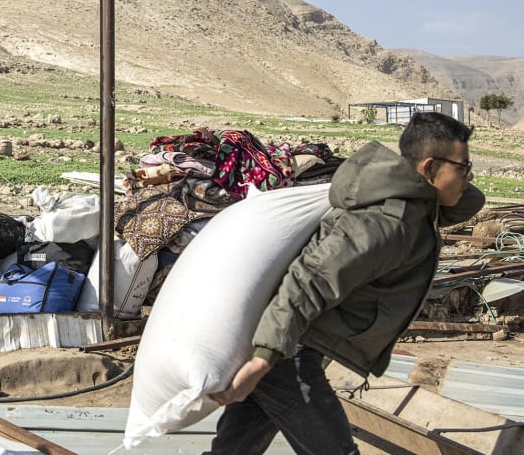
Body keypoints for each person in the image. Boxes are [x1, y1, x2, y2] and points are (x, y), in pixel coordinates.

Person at [206, 111, 485, 454]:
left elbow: (470, 202)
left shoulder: (418, 207)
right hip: (288, 355)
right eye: (463, 168)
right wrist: (262, 360)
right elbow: (309, 280)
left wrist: (453, 175)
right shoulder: (384, 222)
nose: (467, 177)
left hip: (289, 346)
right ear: (428, 168)